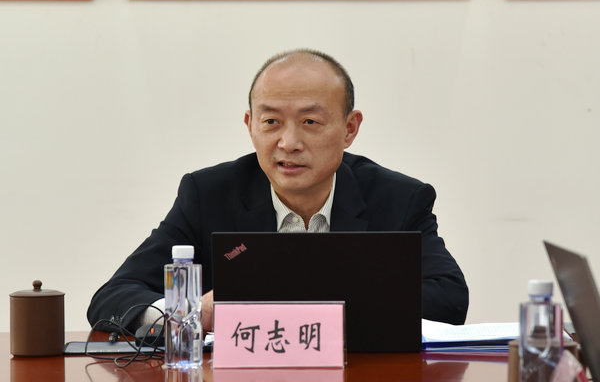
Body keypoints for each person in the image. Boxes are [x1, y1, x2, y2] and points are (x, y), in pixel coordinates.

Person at [87, 49, 469, 335]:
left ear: (350, 129)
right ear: (250, 125)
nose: (289, 143)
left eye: (310, 122)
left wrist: (296, 303)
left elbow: (449, 299)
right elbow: (113, 297)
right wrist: (189, 313)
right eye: (271, 121)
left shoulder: (398, 199)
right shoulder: (208, 195)